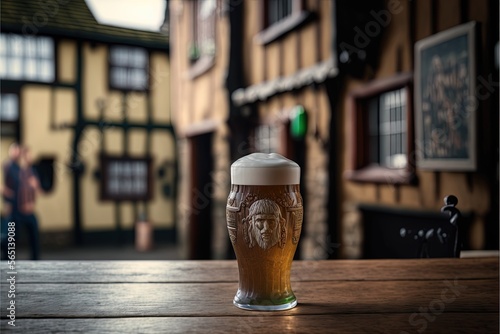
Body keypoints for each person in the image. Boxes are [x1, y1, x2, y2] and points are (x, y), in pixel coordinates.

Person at [1, 144, 41, 260]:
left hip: (27, 211)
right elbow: (7, 187)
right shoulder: (10, 167)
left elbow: (36, 189)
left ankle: (35, 261)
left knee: (33, 236)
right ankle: (8, 262)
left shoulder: (30, 171)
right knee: (11, 238)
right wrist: (6, 197)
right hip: (15, 209)